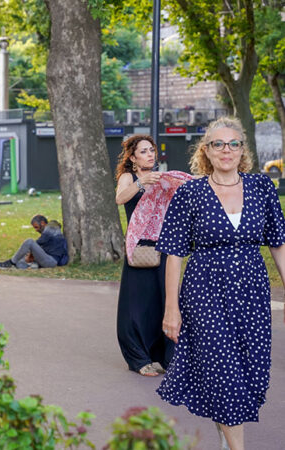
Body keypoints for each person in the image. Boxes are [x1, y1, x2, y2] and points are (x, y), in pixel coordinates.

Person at [156, 117, 285, 450]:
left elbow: (278, 244)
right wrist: (171, 308)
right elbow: (174, 254)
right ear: (206, 151)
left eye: (233, 144)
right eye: (218, 144)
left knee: (249, 371)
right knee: (223, 371)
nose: (226, 150)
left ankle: (225, 438)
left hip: (253, 294)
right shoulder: (190, 193)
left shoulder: (261, 187)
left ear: (242, 150)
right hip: (205, 293)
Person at [112, 135, 174, 378]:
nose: (150, 155)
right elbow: (120, 198)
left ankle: (166, 357)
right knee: (136, 305)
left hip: (163, 246)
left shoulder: (162, 178)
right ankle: (138, 358)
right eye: (144, 151)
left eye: (152, 150)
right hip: (139, 248)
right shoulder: (129, 177)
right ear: (132, 157)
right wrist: (142, 182)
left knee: (163, 302)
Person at [0, 215, 69, 269]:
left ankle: (11, 262)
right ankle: (29, 265)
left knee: (29, 242)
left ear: (42, 223)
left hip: (51, 261)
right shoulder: (48, 234)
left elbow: (37, 243)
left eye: (36, 227)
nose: (36, 230)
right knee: (20, 261)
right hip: (46, 258)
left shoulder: (52, 227)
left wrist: (30, 254)